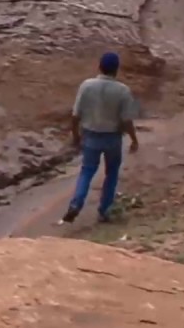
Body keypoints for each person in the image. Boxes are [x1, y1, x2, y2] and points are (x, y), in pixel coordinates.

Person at [59, 52, 140, 225]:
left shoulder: (86, 86)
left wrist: (76, 136)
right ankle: (104, 210)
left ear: (99, 67)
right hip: (113, 138)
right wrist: (134, 139)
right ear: (116, 70)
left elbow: (75, 115)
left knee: (87, 171)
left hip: (90, 135)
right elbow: (127, 120)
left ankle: (76, 204)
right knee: (111, 173)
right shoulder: (123, 90)